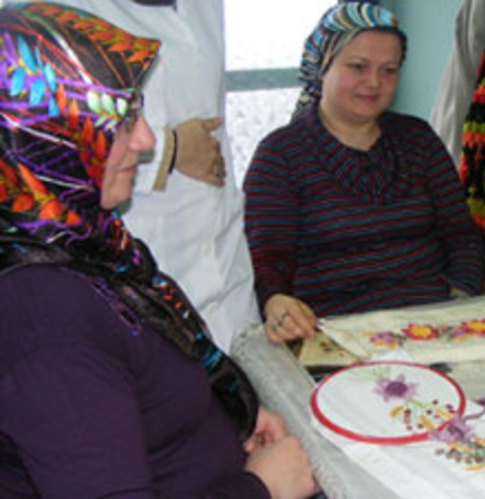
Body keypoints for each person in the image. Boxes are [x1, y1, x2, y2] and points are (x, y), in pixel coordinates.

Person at [0, 4, 316, 497]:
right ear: (46, 134)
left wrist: (232, 412)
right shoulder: (45, 322)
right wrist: (263, 488)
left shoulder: (78, 242)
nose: (147, 139)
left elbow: (145, 377)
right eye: (122, 120)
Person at [9, 0, 262, 352]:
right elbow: (32, 149)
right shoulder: (54, 9)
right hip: (142, 263)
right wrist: (168, 149)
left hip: (225, 262)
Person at [244, 2, 484, 343]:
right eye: (358, 66)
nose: (374, 82)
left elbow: (460, 234)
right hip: (336, 335)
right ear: (322, 65)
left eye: (389, 70)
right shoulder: (280, 155)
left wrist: (460, 301)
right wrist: (276, 299)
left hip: (433, 323)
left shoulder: (418, 139)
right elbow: (268, 256)